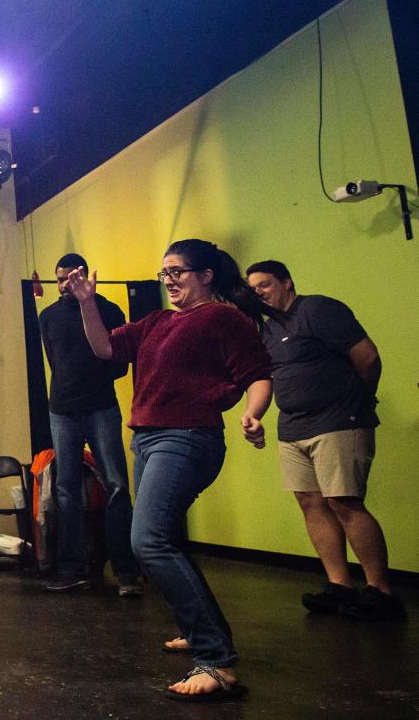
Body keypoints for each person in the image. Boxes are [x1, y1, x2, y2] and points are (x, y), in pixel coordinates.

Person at [66, 239, 272, 703]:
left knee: (148, 540)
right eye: (164, 273)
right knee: (163, 538)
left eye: (178, 271)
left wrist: (254, 414)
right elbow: (103, 348)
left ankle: (216, 660)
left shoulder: (223, 318)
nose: (170, 280)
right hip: (148, 440)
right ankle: (195, 624)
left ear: (205, 276)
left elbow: (257, 374)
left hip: (188, 438)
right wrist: (87, 303)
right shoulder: (158, 321)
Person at [246, 260, 405, 621]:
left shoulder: (318, 309)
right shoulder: (267, 331)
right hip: (293, 429)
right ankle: (339, 586)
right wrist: (253, 415)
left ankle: (381, 590)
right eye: (253, 288)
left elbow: (367, 356)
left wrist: (358, 399)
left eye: (265, 284)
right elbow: (267, 378)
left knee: (344, 502)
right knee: (310, 502)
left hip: (338, 422)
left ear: (287, 283)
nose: (260, 293)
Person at [39, 253, 141, 596]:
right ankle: (71, 569)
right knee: (65, 489)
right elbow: (55, 360)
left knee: (116, 485)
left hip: (101, 406)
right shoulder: (48, 315)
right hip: (62, 409)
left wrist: (94, 378)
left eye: (71, 277)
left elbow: (120, 361)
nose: (66, 284)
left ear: (83, 275)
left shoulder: (110, 310)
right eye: (60, 279)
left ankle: (126, 572)